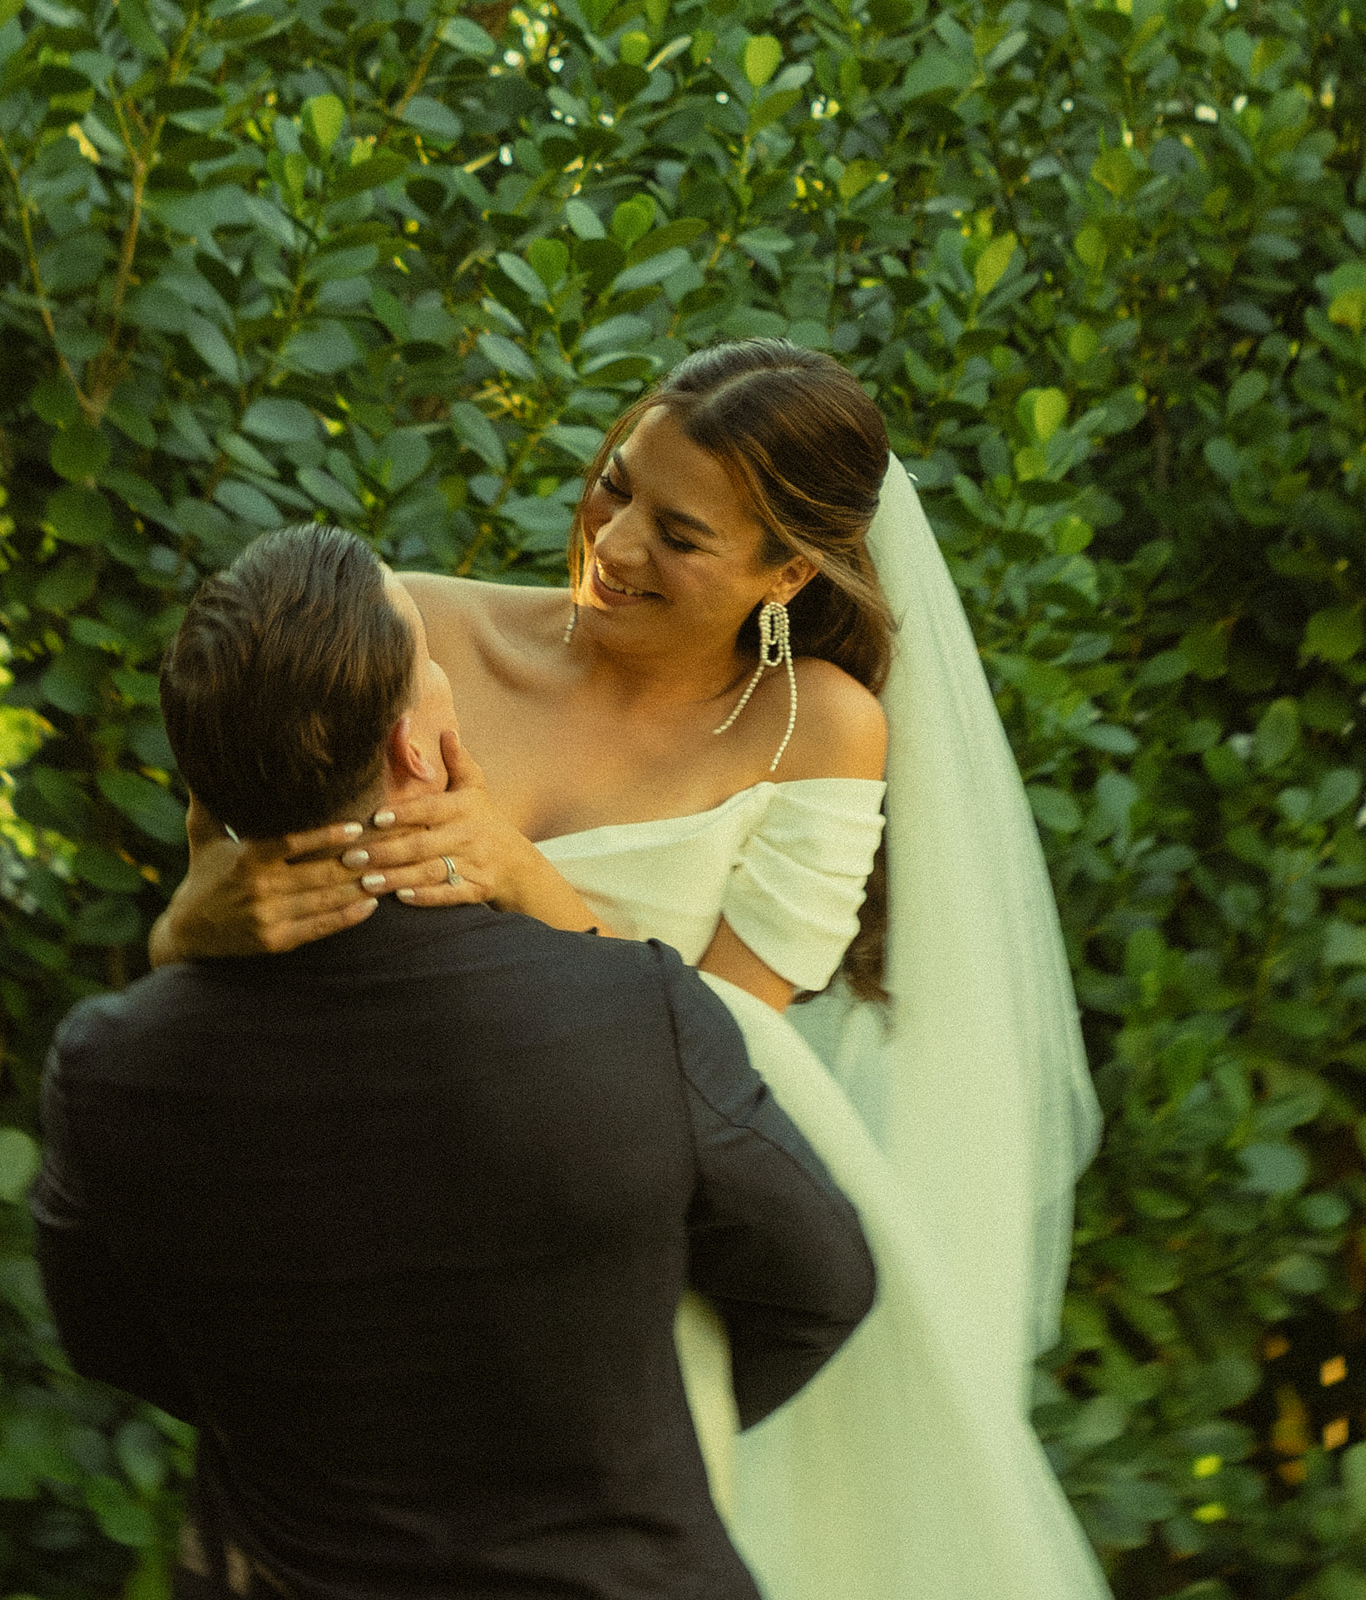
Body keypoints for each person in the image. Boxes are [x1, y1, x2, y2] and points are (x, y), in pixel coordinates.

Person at [149, 341, 1111, 1600]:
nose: (612, 543)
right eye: (613, 485)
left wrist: (519, 876)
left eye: (680, 533)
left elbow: (727, 1053)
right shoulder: (410, 629)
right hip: (358, 1239)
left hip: (619, 1285)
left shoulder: (815, 728)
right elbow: (217, 907)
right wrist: (188, 934)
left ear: (789, 571)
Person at [32, 522, 878, 1600]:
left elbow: (105, 1335)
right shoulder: (630, 1004)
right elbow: (822, 1284)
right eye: (434, 669)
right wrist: (617, 1428)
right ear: (412, 746)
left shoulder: (111, 1066)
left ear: (200, 787)